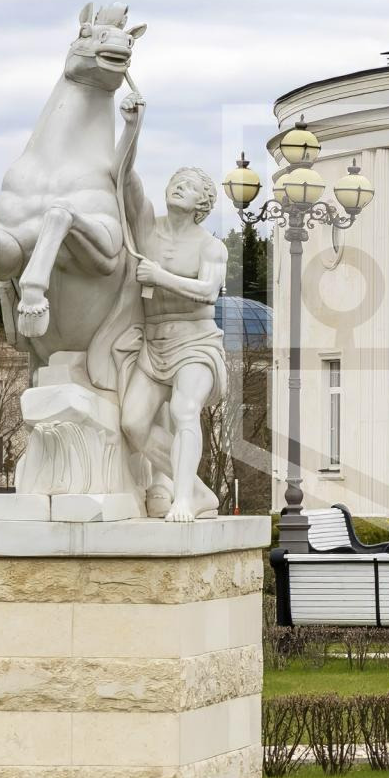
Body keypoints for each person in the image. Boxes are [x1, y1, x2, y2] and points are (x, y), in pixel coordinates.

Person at [122, 167, 230, 520]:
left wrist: (160, 276)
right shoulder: (147, 229)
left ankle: (182, 499)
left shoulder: (210, 246)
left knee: (185, 411)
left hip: (195, 341)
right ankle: (198, 491)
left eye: (190, 186)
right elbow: (127, 181)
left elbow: (209, 291)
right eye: (175, 183)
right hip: (154, 344)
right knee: (133, 424)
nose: (179, 187)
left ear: (203, 203)